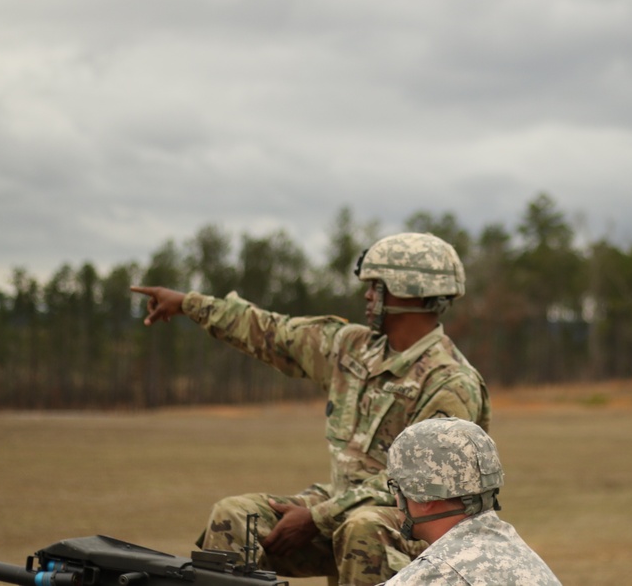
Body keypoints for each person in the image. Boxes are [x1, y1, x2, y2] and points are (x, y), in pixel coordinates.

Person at [131, 232, 490, 586]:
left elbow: (419, 482)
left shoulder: (451, 382)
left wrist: (319, 517)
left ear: (408, 291)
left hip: (420, 528)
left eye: (376, 286)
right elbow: (272, 331)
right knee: (235, 516)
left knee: (363, 527)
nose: (366, 295)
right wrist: (188, 304)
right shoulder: (352, 348)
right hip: (342, 507)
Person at [378, 417, 562, 586]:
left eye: (397, 488)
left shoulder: (436, 574)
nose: (395, 499)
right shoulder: (521, 556)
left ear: (423, 498)